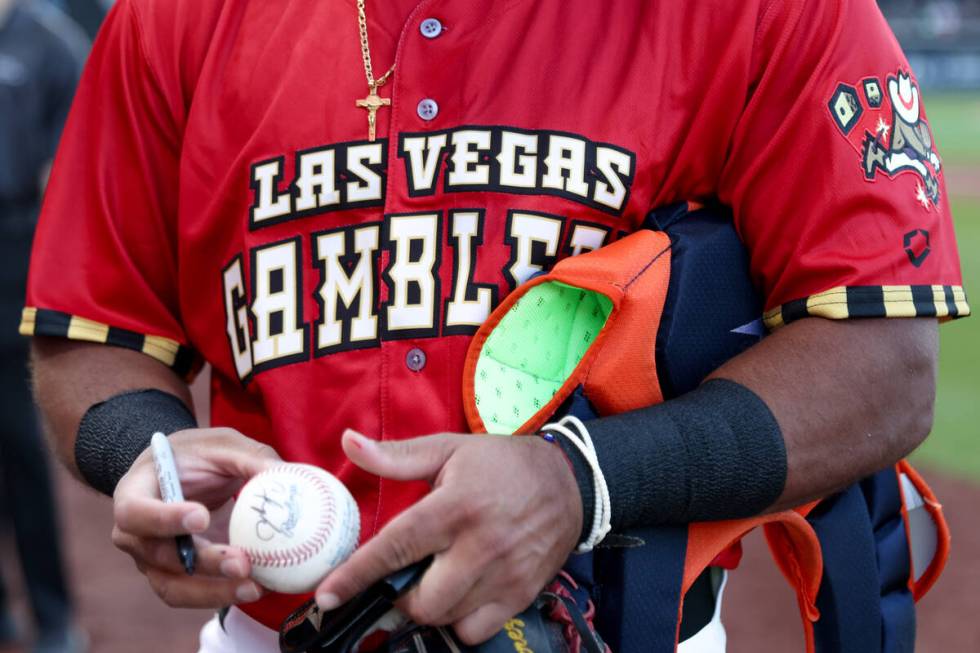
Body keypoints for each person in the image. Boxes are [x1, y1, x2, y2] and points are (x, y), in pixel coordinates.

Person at [21, 0, 969, 651]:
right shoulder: (179, 16)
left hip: (616, 629)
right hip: (278, 628)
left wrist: (580, 480)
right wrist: (147, 456)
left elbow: (883, 361)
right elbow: (95, 329)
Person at [0, 0, 87, 651]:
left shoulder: (46, 40)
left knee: (18, 440)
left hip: (12, 250)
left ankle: (53, 612)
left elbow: (75, 162)